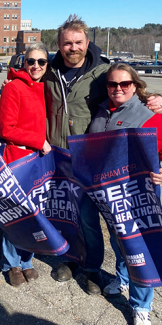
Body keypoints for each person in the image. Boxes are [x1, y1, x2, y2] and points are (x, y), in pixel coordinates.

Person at [43, 14, 162, 295]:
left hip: (91, 160)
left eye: (78, 42)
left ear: (87, 42)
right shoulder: (47, 70)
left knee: (95, 220)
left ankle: (93, 268)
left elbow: (127, 92)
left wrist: (157, 99)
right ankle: (73, 259)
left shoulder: (102, 71)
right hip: (57, 155)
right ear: (58, 45)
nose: (73, 48)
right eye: (67, 43)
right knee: (68, 215)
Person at [89, 63, 162, 325]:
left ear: (135, 85)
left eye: (125, 84)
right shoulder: (99, 112)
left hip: (137, 194)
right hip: (108, 193)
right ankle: (121, 280)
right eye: (112, 84)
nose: (118, 88)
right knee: (119, 242)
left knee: (137, 246)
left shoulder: (149, 115)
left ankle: (142, 304)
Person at [0, 42, 51, 287]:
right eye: (31, 61)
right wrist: (39, 141)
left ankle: (27, 259)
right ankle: (12, 263)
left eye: (41, 62)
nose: (36, 66)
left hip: (38, 160)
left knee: (33, 214)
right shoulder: (14, 88)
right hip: (19, 160)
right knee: (16, 215)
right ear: (24, 62)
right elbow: (7, 130)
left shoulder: (43, 88)